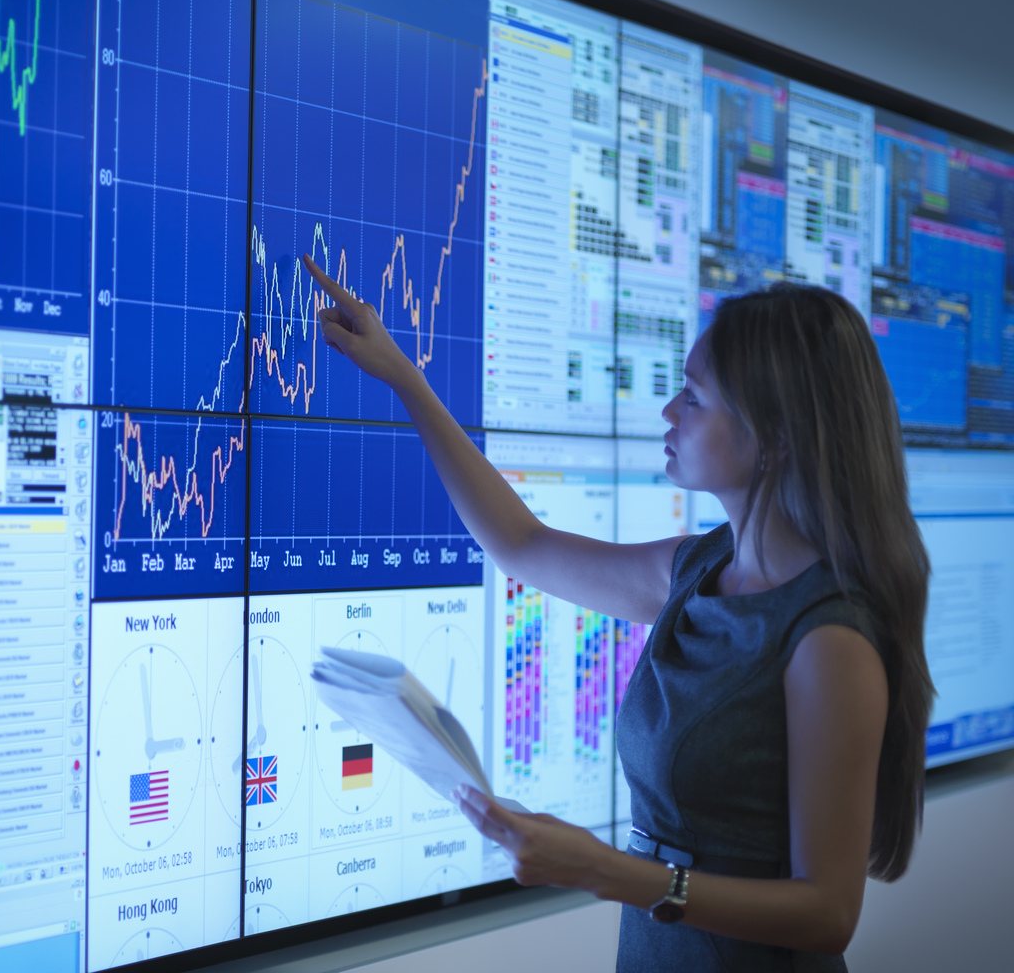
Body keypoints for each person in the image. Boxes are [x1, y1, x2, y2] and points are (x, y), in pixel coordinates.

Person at [307, 257, 933, 972]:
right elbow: (523, 545)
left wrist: (609, 871)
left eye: (694, 398)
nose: (669, 412)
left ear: (776, 437)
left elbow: (828, 913)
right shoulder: (699, 569)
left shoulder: (830, 640)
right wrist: (403, 377)